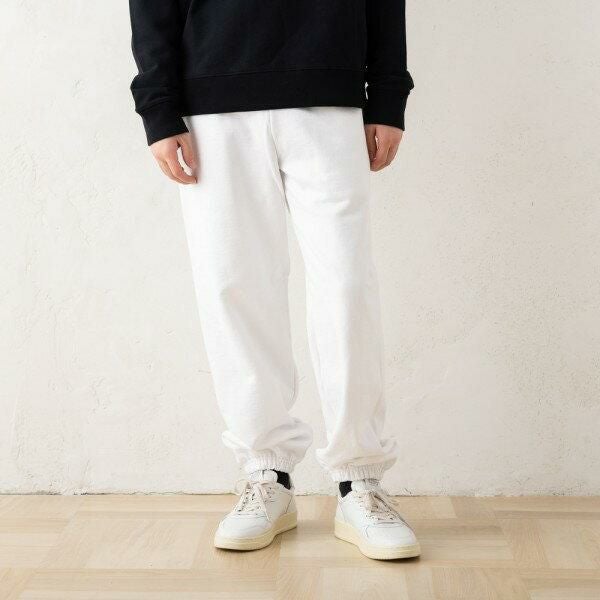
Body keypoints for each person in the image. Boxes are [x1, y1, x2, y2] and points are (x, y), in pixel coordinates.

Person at [129, 0, 419, 560]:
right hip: (212, 100)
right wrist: (158, 109)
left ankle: (359, 481)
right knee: (234, 287)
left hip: (329, 94)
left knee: (346, 287)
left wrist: (387, 95)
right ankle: (267, 474)